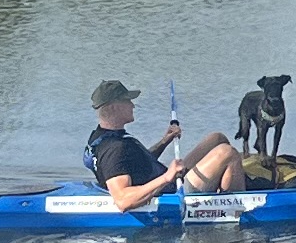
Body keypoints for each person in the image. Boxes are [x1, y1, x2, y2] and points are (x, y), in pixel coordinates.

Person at [83, 80, 252, 210]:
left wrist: (165, 141)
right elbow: (122, 200)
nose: (133, 105)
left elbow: (133, 163)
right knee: (227, 152)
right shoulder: (114, 149)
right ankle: (236, 208)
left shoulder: (101, 137)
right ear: (113, 108)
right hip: (171, 190)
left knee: (217, 138)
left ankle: (227, 182)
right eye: (127, 101)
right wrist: (167, 177)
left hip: (168, 179)